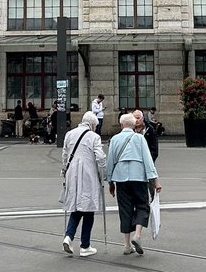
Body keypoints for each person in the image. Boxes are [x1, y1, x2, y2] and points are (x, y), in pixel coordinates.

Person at [107, 113, 161, 255]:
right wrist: (155, 181)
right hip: (139, 177)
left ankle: (126, 245)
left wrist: (110, 182)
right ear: (134, 125)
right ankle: (137, 235)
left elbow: (110, 161)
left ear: (121, 125)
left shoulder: (115, 139)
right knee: (142, 205)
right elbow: (148, 160)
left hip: (121, 177)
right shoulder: (140, 138)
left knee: (125, 209)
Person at [60, 110, 106, 258]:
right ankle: (85, 245)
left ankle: (69, 236)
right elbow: (100, 158)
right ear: (92, 124)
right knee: (88, 208)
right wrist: (102, 175)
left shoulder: (69, 134)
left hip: (72, 173)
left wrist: (64, 172)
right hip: (88, 174)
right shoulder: (94, 137)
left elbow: (65, 155)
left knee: (76, 206)